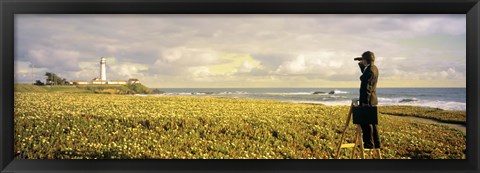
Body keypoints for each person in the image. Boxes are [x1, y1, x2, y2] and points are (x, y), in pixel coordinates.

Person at [357, 51, 381, 149]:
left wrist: (365, 102)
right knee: (373, 124)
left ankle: (369, 144)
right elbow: (365, 74)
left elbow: (367, 86)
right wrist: (361, 63)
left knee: (365, 123)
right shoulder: (373, 68)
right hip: (372, 99)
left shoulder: (370, 70)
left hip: (368, 100)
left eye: (362, 59)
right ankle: (376, 143)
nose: (362, 61)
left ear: (366, 60)